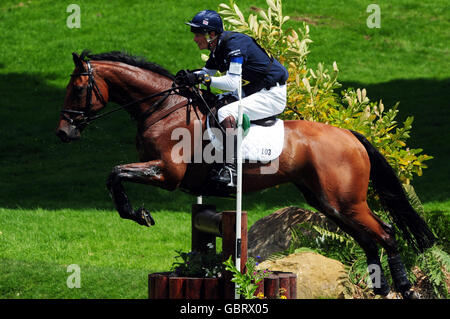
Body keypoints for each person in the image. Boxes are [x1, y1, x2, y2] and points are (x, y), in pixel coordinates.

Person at [177, 9, 288, 188]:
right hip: (254, 91)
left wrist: (203, 79)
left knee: (225, 112)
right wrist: (189, 76)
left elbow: (232, 82)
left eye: (198, 34)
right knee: (213, 104)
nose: (195, 39)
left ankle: (230, 168)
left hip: (271, 95)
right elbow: (207, 73)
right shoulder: (217, 48)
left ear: (211, 34)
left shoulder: (233, 44)